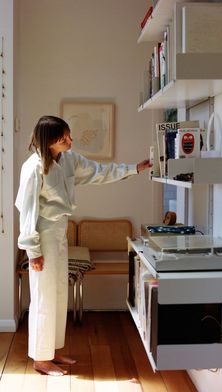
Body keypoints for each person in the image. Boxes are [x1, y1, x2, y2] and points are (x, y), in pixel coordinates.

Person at [15, 115, 151, 376]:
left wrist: (134, 168)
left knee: (58, 295)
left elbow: (99, 172)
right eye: (64, 137)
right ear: (50, 140)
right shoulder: (32, 168)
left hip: (59, 234)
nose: (70, 140)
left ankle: (51, 351)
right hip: (42, 236)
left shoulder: (69, 159)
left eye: (69, 135)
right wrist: (33, 252)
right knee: (43, 297)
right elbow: (27, 212)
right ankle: (40, 360)